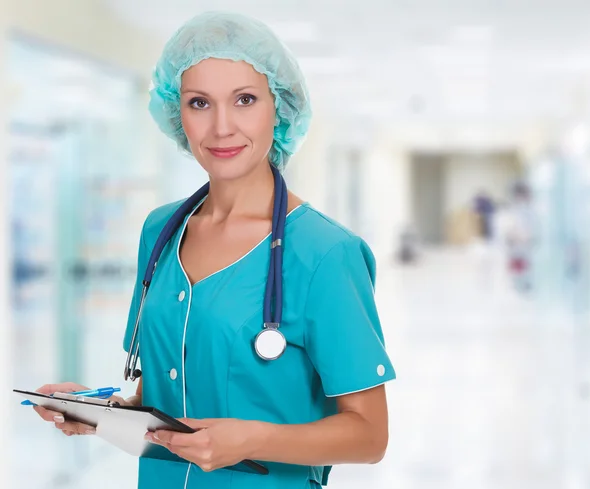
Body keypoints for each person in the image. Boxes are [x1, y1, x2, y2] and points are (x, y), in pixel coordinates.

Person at [31, 11, 396, 489]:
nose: (222, 127)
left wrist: (251, 439)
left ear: (277, 107)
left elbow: (370, 436)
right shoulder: (161, 230)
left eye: (244, 100)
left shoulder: (325, 253)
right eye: (199, 102)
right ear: (176, 113)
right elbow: (168, 385)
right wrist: (104, 412)